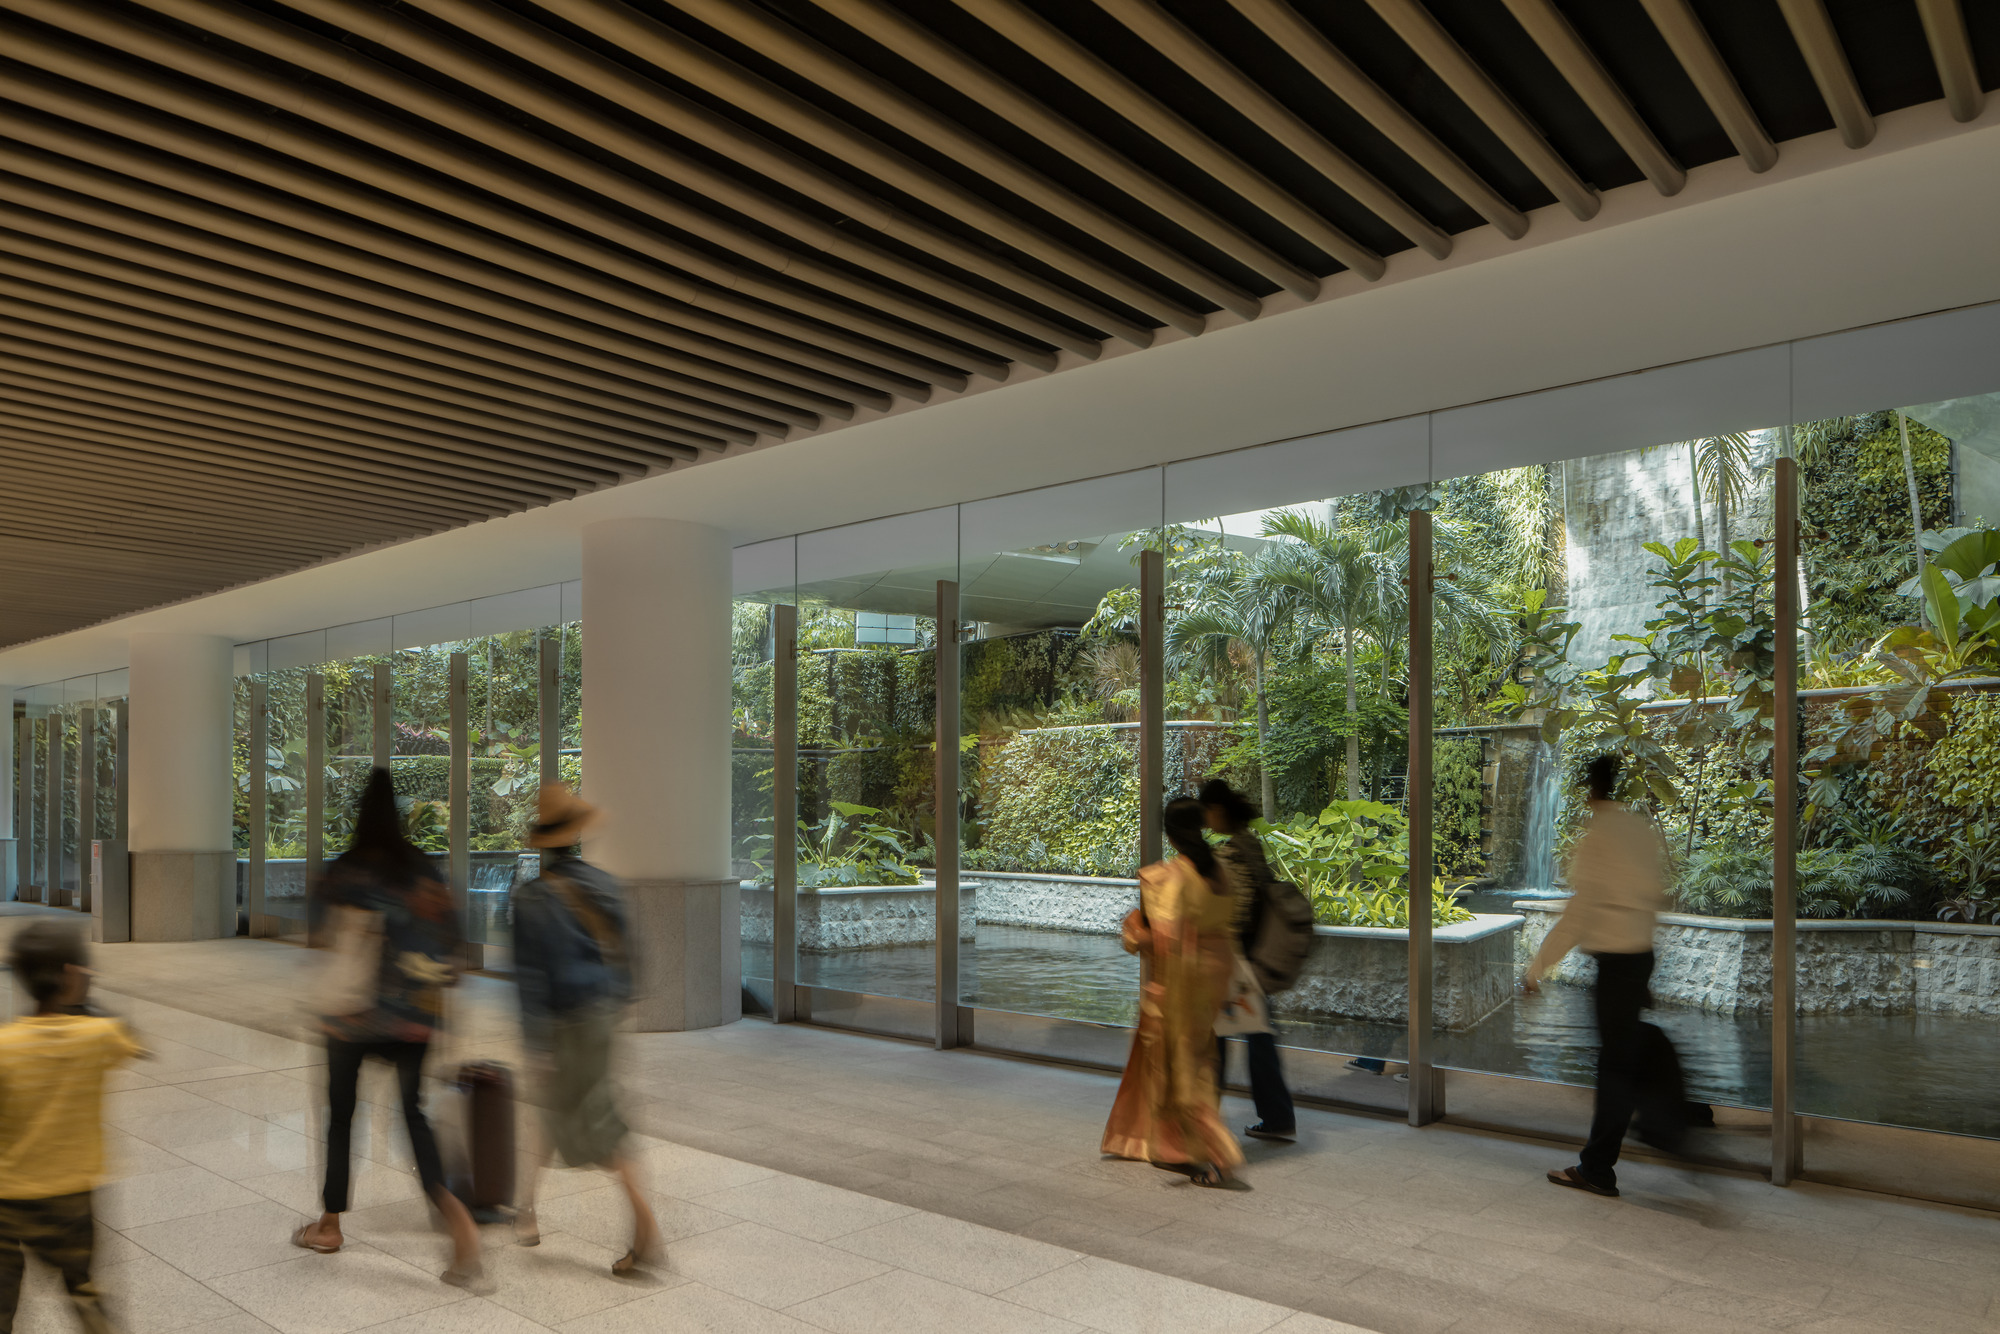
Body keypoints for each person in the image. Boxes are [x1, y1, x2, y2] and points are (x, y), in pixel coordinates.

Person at [289, 767, 481, 1285]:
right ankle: (460, 1228)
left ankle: (329, 1225)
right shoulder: (422, 870)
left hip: (349, 1019)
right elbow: (453, 949)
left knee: (341, 1117)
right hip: (414, 1020)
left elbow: (320, 941)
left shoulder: (343, 872)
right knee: (414, 1115)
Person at [510, 784, 659, 1276]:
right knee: (553, 1113)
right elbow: (630, 956)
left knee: (599, 1125)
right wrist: (619, 1003)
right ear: (575, 838)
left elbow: (531, 981)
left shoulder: (531, 899)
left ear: (543, 844)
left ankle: (647, 1231)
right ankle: (525, 1211)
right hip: (600, 1016)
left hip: (562, 1025)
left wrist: (536, 1045)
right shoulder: (604, 884)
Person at [1526, 753, 1683, 1197]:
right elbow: (1654, 893)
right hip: (1639, 953)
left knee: (1615, 1066)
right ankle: (1671, 1117)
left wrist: (1538, 966)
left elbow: (1579, 913)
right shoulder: (1637, 830)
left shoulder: (1597, 838)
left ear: (1590, 790)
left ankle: (1598, 1167)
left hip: (1616, 960)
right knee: (1629, 1049)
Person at [0, 921, 141, 1334]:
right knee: (81, 1287)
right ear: (73, 974)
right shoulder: (99, 1036)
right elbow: (132, 1043)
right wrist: (82, 1000)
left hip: (7, 1199)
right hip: (72, 1200)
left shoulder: (5, 1046)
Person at [1101, 797, 1245, 1187]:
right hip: (1212, 981)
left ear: (1169, 832)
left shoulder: (1171, 878)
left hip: (1178, 984)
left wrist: (1133, 930)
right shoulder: (1219, 873)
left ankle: (1218, 1155)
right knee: (1196, 1062)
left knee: (1182, 1071)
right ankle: (1171, 1146)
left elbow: (1160, 941)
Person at [1199, 780, 1296, 1143]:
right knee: (1258, 1037)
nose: (1206, 822)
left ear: (1218, 810)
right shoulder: (1251, 845)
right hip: (1253, 956)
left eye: (1207, 813)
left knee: (1216, 1041)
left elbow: (1231, 911)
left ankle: (1205, 1119)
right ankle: (1276, 1116)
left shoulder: (1231, 854)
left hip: (1234, 959)